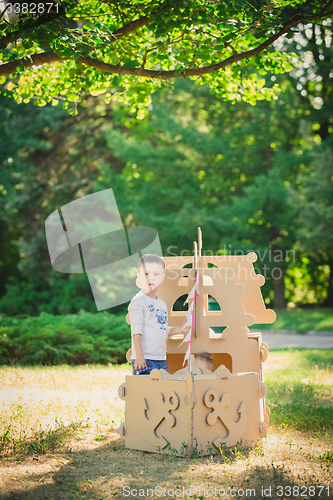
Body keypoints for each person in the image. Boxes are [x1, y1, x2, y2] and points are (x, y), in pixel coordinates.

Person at [128, 254, 190, 375]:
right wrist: (140, 356)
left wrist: (181, 329)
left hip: (161, 359)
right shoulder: (138, 301)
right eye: (146, 274)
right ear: (139, 276)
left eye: (156, 274)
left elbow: (162, 329)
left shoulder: (161, 304)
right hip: (145, 360)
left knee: (159, 392)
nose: (151, 278)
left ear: (162, 278)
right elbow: (136, 331)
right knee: (146, 392)